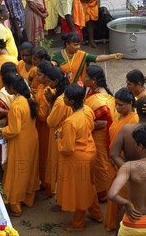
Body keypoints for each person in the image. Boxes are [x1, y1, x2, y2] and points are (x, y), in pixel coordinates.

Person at [55, 84, 103, 231]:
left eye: (65, 98)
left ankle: (78, 224)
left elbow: (67, 148)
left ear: (70, 101)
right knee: (88, 186)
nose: (63, 99)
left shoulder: (71, 122)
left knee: (79, 192)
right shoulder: (87, 110)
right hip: (90, 151)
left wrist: (58, 138)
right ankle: (97, 214)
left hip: (78, 159)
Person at [0, 72, 39, 216]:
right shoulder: (26, 98)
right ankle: (28, 198)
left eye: (6, 87)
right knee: (28, 169)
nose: (5, 90)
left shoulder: (16, 105)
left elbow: (13, 130)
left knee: (16, 172)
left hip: (20, 143)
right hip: (31, 139)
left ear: (12, 87)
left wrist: (0, 129)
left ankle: (15, 205)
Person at [104, 88, 139, 231]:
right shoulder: (118, 116)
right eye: (116, 104)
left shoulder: (134, 120)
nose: (117, 107)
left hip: (123, 162)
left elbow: (132, 146)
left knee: (122, 198)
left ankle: (120, 227)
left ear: (130, 103)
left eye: (121, 105)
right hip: (114, 160)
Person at [83, 65, 115, 201]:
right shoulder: (94, 91)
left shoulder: (99, 99)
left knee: (101, 164)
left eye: (86, 77)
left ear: (94, 80)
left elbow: (102, 123)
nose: (83, 79)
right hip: (96, 135)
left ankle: (103, 194)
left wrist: (82, 125)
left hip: (100, 137)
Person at [51, 32, 122, 84]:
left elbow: (98, 58)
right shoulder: (56, 56)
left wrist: (112, 56)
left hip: (78, 88)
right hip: (62, 87)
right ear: (67, 44)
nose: (78, 47)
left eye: (79, 45)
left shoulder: (82, 55)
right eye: (75, 45)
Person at [44, 66, 72, 196]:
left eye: (49, 81)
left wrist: (50, 102)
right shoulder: (67, 92)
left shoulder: (60, 101)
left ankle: (59, 195)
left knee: (58, 165)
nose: (47, 84)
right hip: (65, 132)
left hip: (59, 134)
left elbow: (50, 122)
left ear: (55, 81)